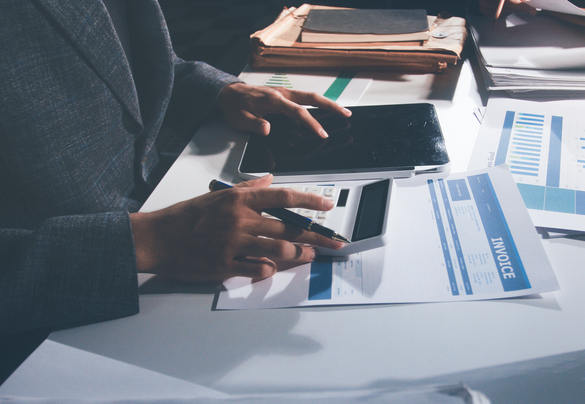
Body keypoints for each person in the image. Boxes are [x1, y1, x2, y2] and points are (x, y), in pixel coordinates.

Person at [0, 0, 350, 335]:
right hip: (52, 318)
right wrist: (142, 243)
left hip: (162, 197)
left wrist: (221, 91)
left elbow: (118, 59)